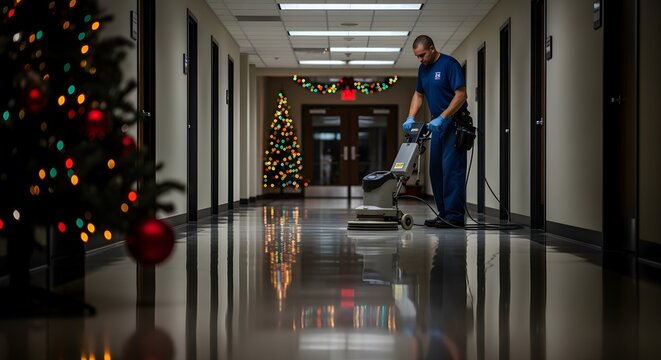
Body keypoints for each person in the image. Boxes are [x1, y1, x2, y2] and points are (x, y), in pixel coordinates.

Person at [403, 35, 468, 228]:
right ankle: (443, 214)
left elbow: (461, 94)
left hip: (453, 122)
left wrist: (443, 117)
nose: (420, 59)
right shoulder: (423, 69)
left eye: (422, 55)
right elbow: (418, 94)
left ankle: (455, 216)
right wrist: (410, 117)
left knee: (451, 170)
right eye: (417, 56)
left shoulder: (449, 64)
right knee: (436, 171)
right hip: (437, 125)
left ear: (432, 48)